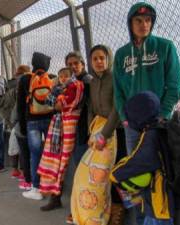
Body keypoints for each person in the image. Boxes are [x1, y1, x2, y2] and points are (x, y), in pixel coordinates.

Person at [112, 3, 180, 224]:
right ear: (130, 23)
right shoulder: (122, 54)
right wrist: (124, 118)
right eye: (139, 21)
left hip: (159, 126)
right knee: (138, 176)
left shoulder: (165, 47)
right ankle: (143, 218)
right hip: (133, 127)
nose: (144, 25)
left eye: (148, 21)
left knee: (159, 175)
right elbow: (118, 91)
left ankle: (159, 218)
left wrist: (162, 115)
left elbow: (174, 85)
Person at [70, 45, 121, 225]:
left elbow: (118, 108)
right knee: (86, 176)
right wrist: (93, 130)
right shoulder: (92, 82)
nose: (99, 62)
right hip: (97, 131)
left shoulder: (115, 78)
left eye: (102, 58)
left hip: (113, 132)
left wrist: (104, 134)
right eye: (95, 59)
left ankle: (111, 215)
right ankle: (90, 213)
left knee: (108, 177)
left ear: (108, 59)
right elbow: (91, 107)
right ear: (90, 62)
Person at [110, 91, 175, 225]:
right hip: (168, 193)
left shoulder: (150, 136)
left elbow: (138, 162)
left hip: (159, 199)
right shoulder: (162, 125)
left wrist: (115, 174)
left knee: (154, 220)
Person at [37, 67, 84, 211]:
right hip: (63, 125)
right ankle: (56, 197)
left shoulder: (79, 84)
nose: (63, 78)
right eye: (61, 76)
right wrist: (58, 101)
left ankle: (76, 205)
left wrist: (58, 102)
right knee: (56, 160)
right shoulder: (63, 87)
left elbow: (61, 104)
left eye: (76, 63)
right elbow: (52, 102)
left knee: (65, 163)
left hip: (75, 128)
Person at [20, 52, 54, 200]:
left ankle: (36, 188)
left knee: (35, 154)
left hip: (32, 121)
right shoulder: (51, 78)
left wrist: (22, 125)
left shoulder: (25, 79)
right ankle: (52, 186)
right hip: (50, 120)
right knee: (51, 154)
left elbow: (20, 104)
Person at [64, 51, 92, 224]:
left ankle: (79, 211)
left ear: (82, 63)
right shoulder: (73, 81)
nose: (74, 67)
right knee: (80, 171)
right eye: (70, 64)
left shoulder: (86, 81)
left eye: (76, 63)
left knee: (82, 173)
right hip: (76, 131)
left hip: (84, 131)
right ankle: (79, 209)